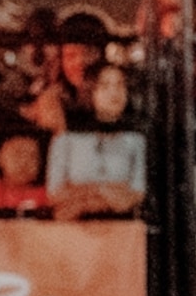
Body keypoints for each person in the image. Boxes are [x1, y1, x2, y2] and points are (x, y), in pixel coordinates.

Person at [46, 63, 148, 217]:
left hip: (121, 227)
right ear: (90, 90)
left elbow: (137, 192)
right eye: (105, 86)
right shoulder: (67, 136)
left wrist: (84, 192)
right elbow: (54, 191)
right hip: (75, 227)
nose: (114, 93)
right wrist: (106, 191)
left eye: (120, 85)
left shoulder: (135, 138)